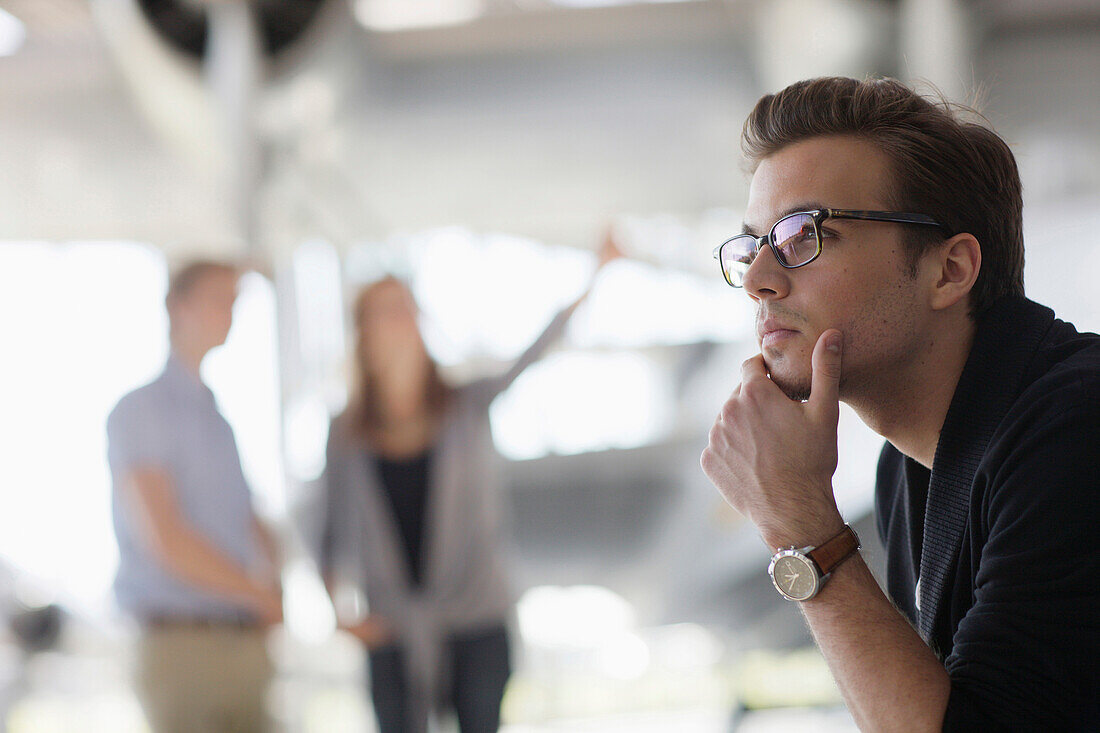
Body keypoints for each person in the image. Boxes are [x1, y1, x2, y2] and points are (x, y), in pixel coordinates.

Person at [700, 76, 1100, 730]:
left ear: (949, 270)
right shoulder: (910, 466)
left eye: (804, 233)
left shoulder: (1075, 424)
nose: (758, 282)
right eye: (754, 246)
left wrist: (804, 528)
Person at [318, 233, 621, 733]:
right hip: (392, 628)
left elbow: (531, 354)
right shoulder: (347, 432)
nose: (399, 319)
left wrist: (596, 275)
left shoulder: (464, 404)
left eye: (404, 307)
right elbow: (326, 527)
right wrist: (339, 611)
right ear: (362, 331)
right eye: (384, 310)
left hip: (478, 618)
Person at [106, 260, 283, 733]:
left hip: (240, 638)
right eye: (218, 300)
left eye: (235, 303)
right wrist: (258, 592)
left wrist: (273, 580)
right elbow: (164, 537)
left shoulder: (217, 416)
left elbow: (248, 518)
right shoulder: (141, 410)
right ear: (177, 306)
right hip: (181, 645)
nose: (229, 314)